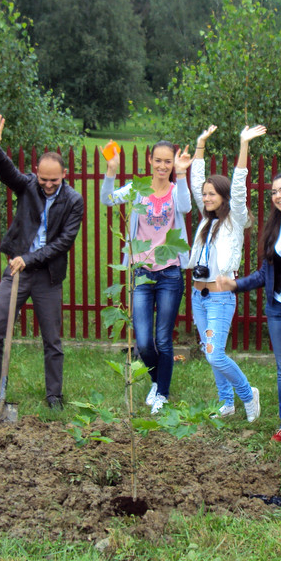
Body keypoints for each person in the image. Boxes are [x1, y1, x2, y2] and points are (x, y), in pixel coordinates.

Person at [0, 115, 85, 410]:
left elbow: (63, 243)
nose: (48, 185)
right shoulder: (28, 186)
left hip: (47, 276)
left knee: (52, 340)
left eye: (54, 180)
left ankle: (54, 395)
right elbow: (8, 174)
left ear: (64, 174)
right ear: (37, 173)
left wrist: (28, 259)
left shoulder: (74, 201)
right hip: (16, 271)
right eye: (43, 179)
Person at [215, 171, 281, 441]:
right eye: (274, 192)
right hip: (279, 308)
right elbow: (265, 274)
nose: (278, 196)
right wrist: (236, 284)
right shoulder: (274, 228)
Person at [100, 140, 193, 414]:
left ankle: (162, 393)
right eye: (158, 160)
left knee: (163, 338)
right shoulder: (137, 190)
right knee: (143, 342)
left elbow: (186, 207)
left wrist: (182, 173)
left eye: (168, 162)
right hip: (141, 273)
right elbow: (107, 199)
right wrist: (111, 169)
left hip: (170, 273)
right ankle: (156, 380)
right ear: (150, 161)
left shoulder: (175, 191)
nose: (163, 166)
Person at [188, 123, 265, 423]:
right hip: (198, 295)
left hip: (220, 298)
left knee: (214, 354)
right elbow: (196, 181)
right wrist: (200, 144)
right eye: (205, 195)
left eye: (212, 194)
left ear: (223, 196)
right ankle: (226, 403)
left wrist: (244, 144)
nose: (206, 198)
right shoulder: (206, 220)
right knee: (210, 352)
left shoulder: (234, 219)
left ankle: (248, 394)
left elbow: (239, 188)